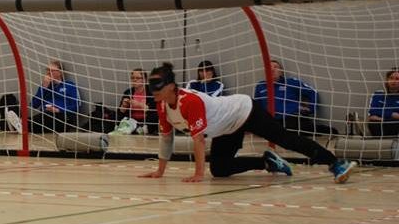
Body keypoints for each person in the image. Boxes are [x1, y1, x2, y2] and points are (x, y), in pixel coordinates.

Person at [139, 62, 356, 184]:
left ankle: (336, 164)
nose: (154, 93)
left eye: (158, 88)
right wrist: (160, 171)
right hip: (226, 127)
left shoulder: (190, 101)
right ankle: (268, 162)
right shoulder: (161, 105)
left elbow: (198, 140)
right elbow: (166, 138)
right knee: (220, 170)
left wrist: (198, 174)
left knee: (285, 139)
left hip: (244, 111)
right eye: (153, 89)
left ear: (171, 87)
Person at [253, 59, 337, 135]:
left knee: (290, 128)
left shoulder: (291, 82)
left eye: (275, 67)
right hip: (273, 120)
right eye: (269, 67)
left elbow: (313, 92)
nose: (272, 69)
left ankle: (326, 130)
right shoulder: (260, 86)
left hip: (292, 118)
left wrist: (311, 108)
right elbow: (257, 106)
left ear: (281, 71)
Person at [28, 59, 81, 133]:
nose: (49, 72)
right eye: (47, 70)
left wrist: (59, 110)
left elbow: (76, 105)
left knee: (40, 120)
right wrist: (44, 87)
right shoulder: (45, 86)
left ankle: (23, 125)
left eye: (52, 70)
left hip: (63, 117)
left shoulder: (69, 85)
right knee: (42, 118)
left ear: (60, 72)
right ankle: (22, 125)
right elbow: (34, 105)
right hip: (45, 116)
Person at [117, 68, 157, 134]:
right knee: (115, 117)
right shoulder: (128, 92)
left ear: (145, 80)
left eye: (138, 78)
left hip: (147, 122)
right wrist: (123, 106)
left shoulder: (151, 92)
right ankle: (132, 129)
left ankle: (142, 129)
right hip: (131, 121)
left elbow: (154, 111)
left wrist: (139, 104)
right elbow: (120, 112)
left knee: (155, 116)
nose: (134, 80)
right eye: (132, 78)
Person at [367, 68, 399, 137]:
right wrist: (392, 114)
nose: (393, 81)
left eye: (397, 79)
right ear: (387, 80)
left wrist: (381, 117)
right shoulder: (378, 94)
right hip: (379, 127)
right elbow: (372, 113)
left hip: (396, 127)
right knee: (373, 123)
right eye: (391, 78)